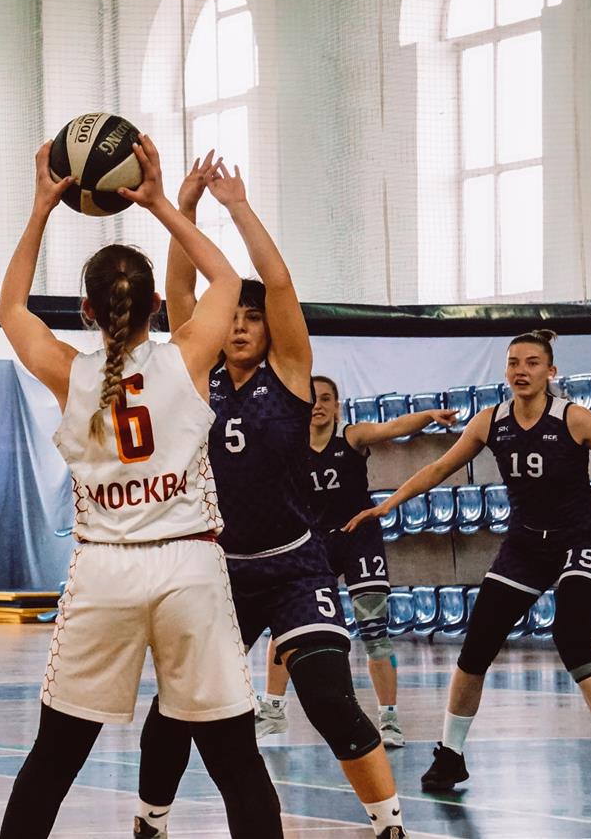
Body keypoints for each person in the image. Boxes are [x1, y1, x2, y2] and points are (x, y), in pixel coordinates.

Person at [0, 139, 282, 839]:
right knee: (236, 761)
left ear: (86, 311)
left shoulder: (69, 371)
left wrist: (40, 209)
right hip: (190, 565)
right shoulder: (190, 357)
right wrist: (160, 203)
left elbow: (10, 308)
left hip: (106, 570)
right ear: (157, 303)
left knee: (54, 759)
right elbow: (226, 279)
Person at [138, 157, 406, 839]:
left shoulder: (289, 374)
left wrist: (237, 207)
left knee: (329, 700)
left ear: (268, 330)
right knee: (177, 707)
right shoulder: (196, 373)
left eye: (252, 319)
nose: (238, 327)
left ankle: (388, 825)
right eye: (231, 317)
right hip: (217, 571)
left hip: (295, 568)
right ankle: (150, 821)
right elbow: (179, 289)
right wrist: (181, 208)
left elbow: (279, 283)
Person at [347, 329, 591, 805]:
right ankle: (450, 755)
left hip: (580, 537)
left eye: (532, 362)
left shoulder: (575, 418)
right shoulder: (491, 421)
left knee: (572, 639)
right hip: (526, 543)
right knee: (477, 644)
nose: (521, 371)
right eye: (513, 363)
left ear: (550, 371)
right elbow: (438, 468)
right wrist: (388, 504)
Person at [255, 378, 458, 747]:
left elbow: (392, 428)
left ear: (337, 406)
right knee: (285, 625)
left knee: (374, 631)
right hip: (314, 543)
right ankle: (273, 709)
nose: (318, 405)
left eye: (326, 399)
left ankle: (389, 719)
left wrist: (428, 415)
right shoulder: (290, 442)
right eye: (312, 399)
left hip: (358, 538)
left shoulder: (351, 436)